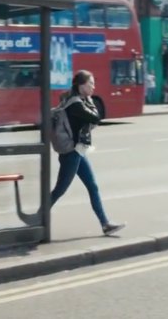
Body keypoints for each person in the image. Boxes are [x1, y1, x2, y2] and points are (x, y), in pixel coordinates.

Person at [48, 70, 125, 236]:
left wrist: (89, 100)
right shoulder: (75, 104)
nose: (93, 87)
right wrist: (90, 101)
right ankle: (40, 216)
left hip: (78, 151)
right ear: (81, 85)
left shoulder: (79, 100)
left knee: (92, 186)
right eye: (90, 83)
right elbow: (96, 117)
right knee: (60, 189)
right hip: (71, 153)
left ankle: (105, 224)